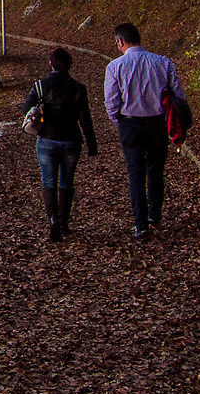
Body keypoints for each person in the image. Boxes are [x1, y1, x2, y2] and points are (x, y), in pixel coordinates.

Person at [103, 21, 188, 239]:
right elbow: (178, 95)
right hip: (158, 123)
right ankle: (154, 214)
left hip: (130, 123)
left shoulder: (114, 67)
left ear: (121, 42)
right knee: (156, 170)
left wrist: (118, 122)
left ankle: (140, 224)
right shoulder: (163, 62)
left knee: (135, 173)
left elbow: (112, 101)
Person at [19, 47, 98, 241]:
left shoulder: (40, 85)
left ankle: (53, 220)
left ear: (50, 64)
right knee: (66, 182)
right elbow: (85, 119)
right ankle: (64, 223)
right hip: (71, 140)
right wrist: (91, 143)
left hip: (46, 139)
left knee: (48, 181)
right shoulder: (78, 88)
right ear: (69, 66)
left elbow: (25, 108)